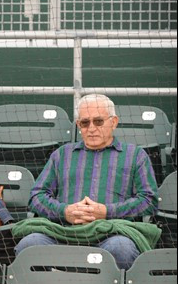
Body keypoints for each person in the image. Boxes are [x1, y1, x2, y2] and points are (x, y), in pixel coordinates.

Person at [14, 94, 159, 270]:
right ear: (78, 125)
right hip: (63, 232)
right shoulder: (62, 155)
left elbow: (148, 201)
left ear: (113, 122)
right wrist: (65, 211)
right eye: (85, 123)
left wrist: (107, 212)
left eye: (98, 121)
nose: (91, 128)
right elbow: (36, 196)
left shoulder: (135, 156)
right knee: (29, 245)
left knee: (121, 248)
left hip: (111, 233)